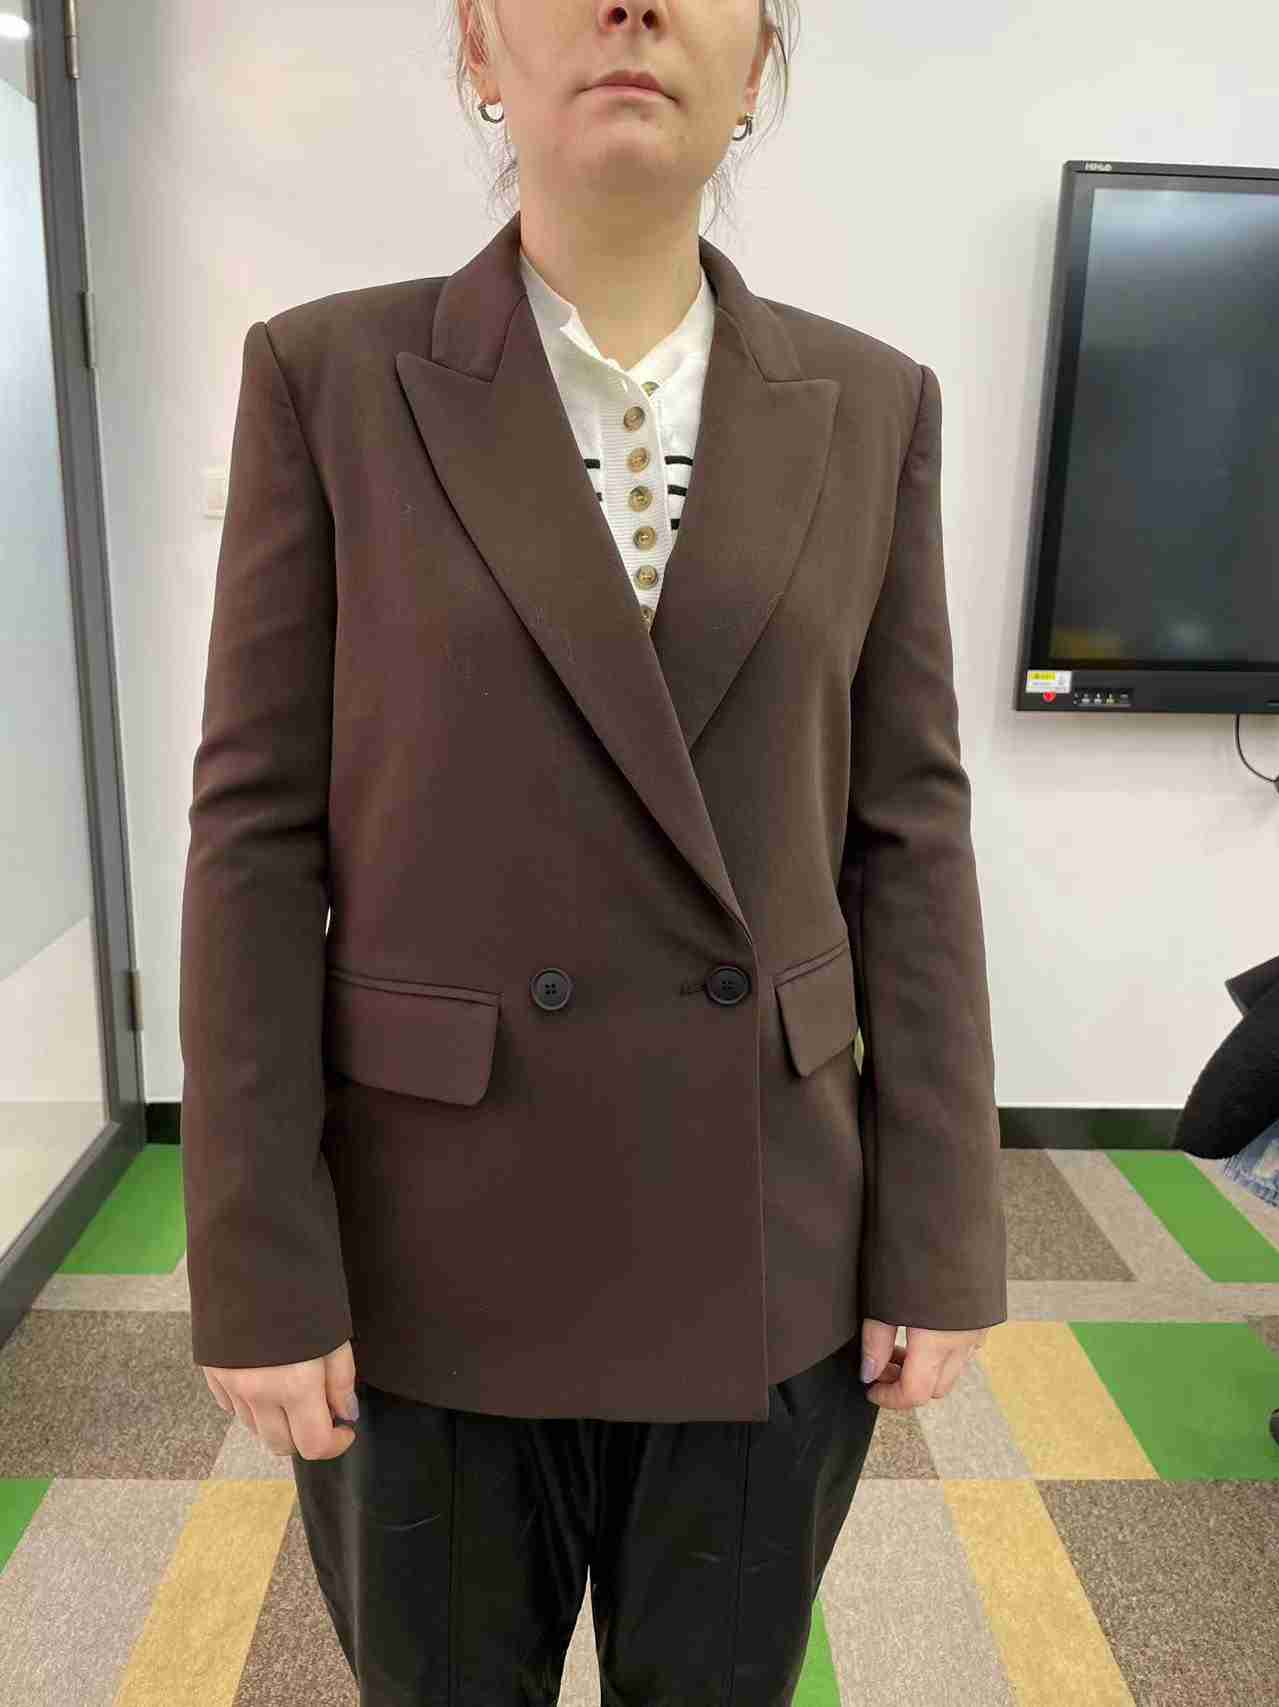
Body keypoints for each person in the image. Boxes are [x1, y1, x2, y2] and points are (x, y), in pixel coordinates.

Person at [179, 3, 1008, 1701]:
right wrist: (256, 1256)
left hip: (766, 1248)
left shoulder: (870, 404)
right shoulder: (329, 381)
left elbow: (909, 837)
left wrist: (940, 1230)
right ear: (479, 48)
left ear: (760, 59)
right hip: (427, 1258)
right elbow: (255, 840)